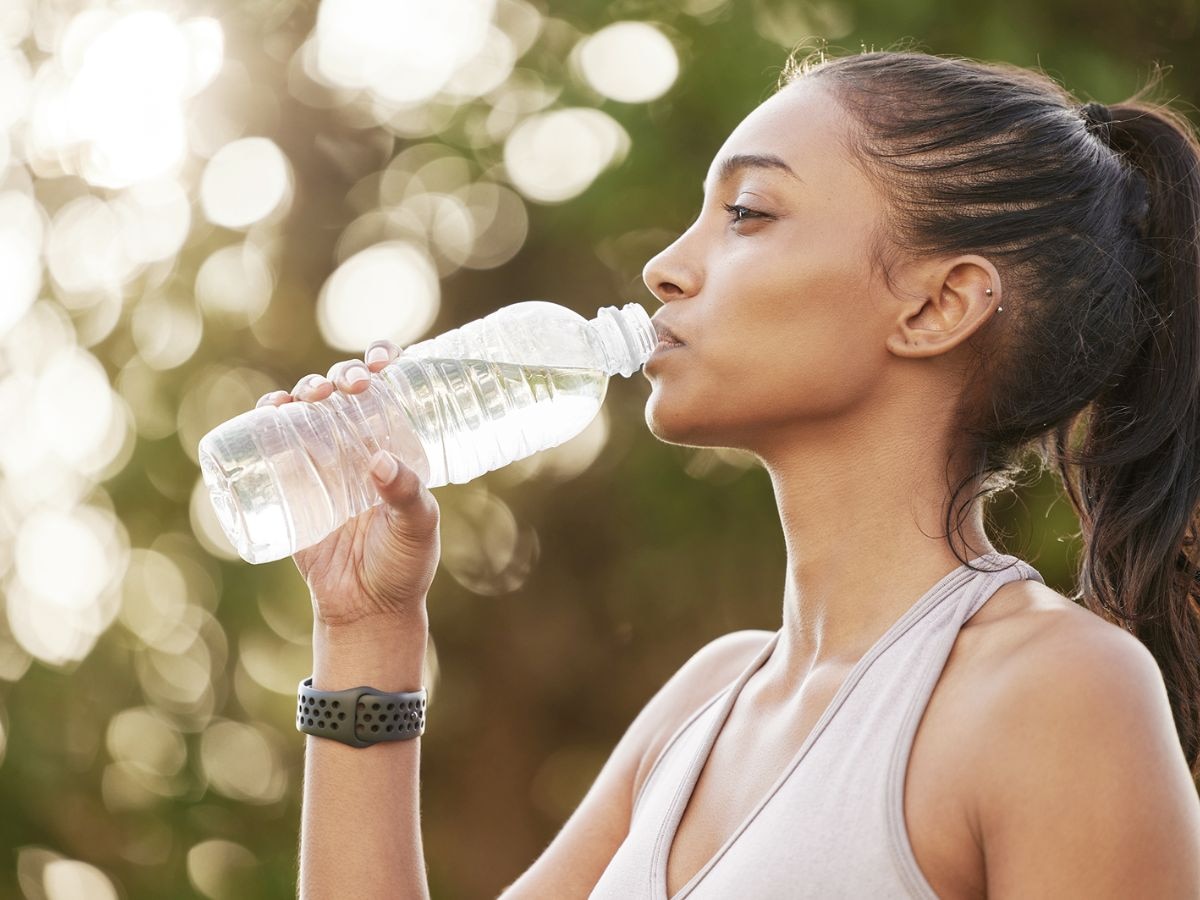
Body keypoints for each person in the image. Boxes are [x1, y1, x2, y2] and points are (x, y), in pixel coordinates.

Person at [260, 48, 1200, 898]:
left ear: (936, 305)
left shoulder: (1061, 695)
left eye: (747, 213)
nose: (666, 268)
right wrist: (367, 629)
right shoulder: (706, 701)